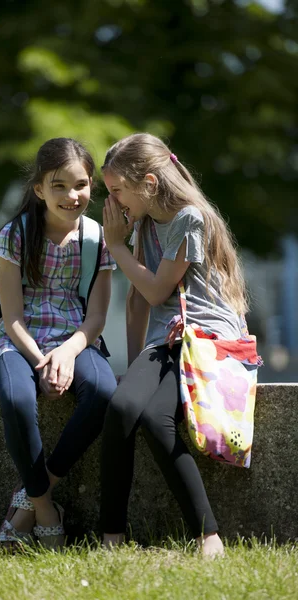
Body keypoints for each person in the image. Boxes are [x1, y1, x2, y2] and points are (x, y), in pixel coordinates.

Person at [100, 133, 249, 557]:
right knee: (125, 406)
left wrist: (115, 245)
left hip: (204, 337)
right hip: (166, 342)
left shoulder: (190, 218)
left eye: (116, 191)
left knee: (153, 418)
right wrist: (135, 370)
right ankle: (112, 538)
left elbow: (155, 290)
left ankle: (209, 536)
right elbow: (136, 300)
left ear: (148, 182)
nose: (113, 203)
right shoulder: (144, 222)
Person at [0, 137, 117, 549]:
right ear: (39, 188)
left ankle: (26, 501)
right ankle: (45, 510)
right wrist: (43, 361)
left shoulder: (98, 239)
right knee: (18, 398)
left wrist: (67, 351)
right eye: (58, 185)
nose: (71, 195)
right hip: (18, 340)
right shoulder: (17, 234)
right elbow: (12, 318)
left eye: (80, 185)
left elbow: (96, 317)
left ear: (92, 186)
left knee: (102, 392)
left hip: (76, 337)